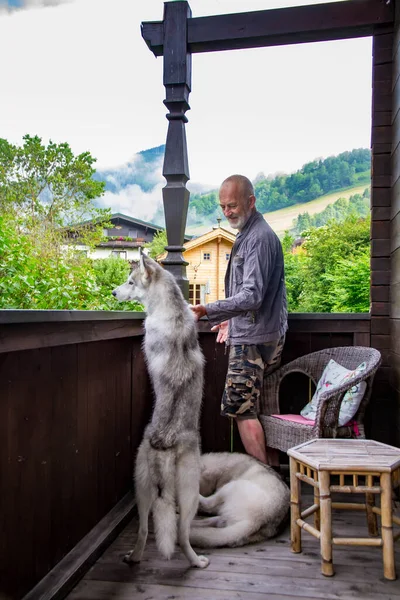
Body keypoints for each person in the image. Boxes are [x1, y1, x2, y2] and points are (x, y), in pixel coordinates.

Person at [191, 174, 288, 465]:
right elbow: (264, 298)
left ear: (251, 201)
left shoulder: (257, 239)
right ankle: (273, 480)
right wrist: (231, 320)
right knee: (257, 409)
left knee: (242, 410)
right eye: (223, 207)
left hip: (253, 341)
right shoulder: (252, 232)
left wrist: (209, 310)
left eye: (232, 205)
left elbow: (253, 296)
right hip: (263, 333)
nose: (227, 212)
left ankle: (266, 487)